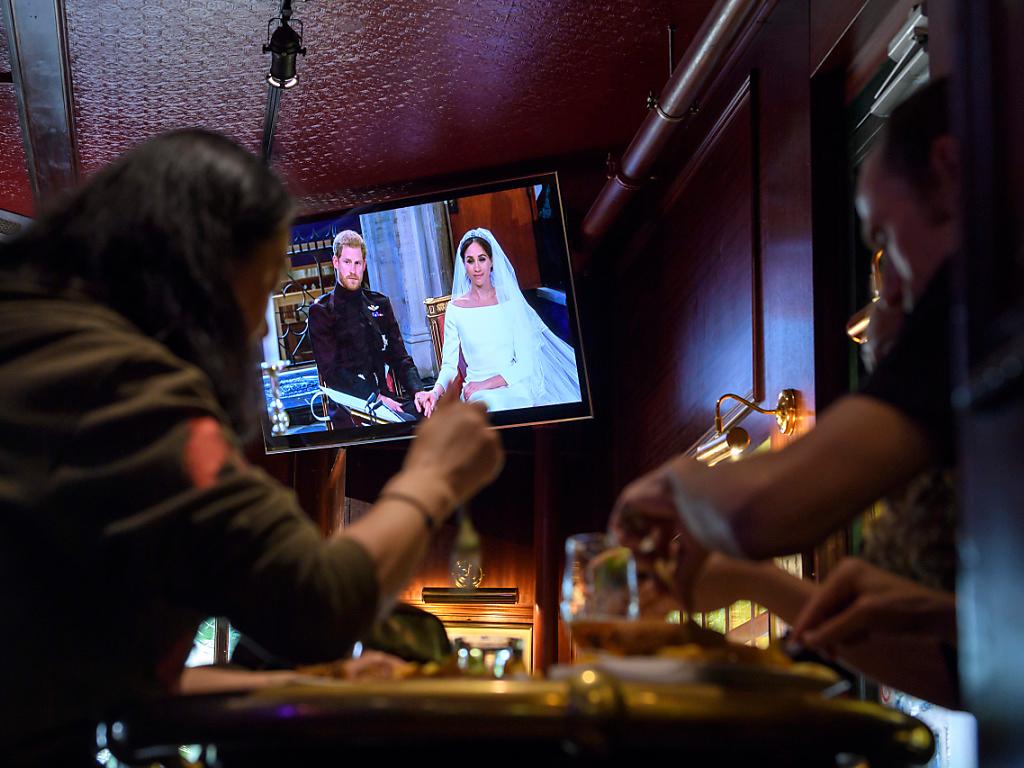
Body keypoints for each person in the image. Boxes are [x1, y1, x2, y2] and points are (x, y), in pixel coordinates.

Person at [0, 130, 503, 766]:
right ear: (202, 272)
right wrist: (434, 475)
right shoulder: (126, 390)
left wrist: (297, 688)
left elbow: (98, 681)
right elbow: (317, 605)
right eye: (261, 288)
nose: (259, 325)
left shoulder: (35, 336)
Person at [610, 79, 959, 671]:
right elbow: (954, 672)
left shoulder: (976, 303)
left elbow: (760, 512)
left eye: (884, 236)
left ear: (949, 170)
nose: (892, 290)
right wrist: (753, 581)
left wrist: (671, 484)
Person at [419, 227, 582, 416]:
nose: (477, 268)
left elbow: (526, 363)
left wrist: (486, 384)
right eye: (470, 261)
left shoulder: (510, 301)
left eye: (482, 259)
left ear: (491, 261)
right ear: (464, 265)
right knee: (491, 407)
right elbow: (449, 365)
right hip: (477, 393)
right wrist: (434, 392)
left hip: (514, 384)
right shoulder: (455, 309)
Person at [308, 229, 432, 425]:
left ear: (364, 265)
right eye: (347, 262)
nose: (352, 270)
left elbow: (400, 357)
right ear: (335, 262)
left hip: (388, 401)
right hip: (350, 406)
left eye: (357, 263)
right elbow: (332, 372)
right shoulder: (322, 311)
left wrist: (418, 391)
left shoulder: (379, 304)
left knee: (432, 416)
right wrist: (376, 397)